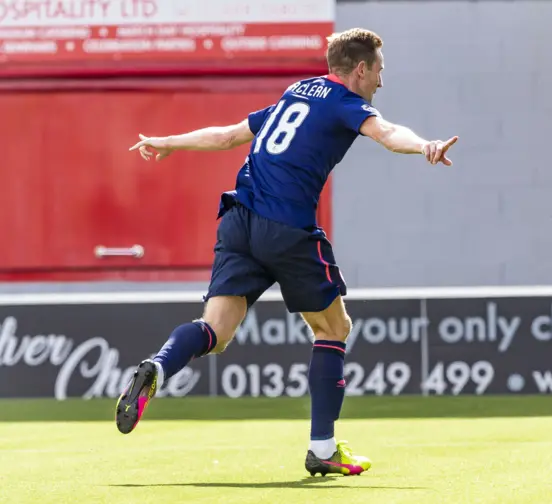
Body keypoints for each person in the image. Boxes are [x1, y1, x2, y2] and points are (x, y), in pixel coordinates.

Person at [117, 27, 458, 477]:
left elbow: (228, 137)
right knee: (334, 327)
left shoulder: (295, 92)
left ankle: (158, 367)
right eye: (378, 70)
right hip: (287, 227)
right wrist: (425, 146)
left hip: (239, 220)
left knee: (215, 331)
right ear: (360, 69)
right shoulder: (346, 103)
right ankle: (322, 448)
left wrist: (168, 142)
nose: (380, 80)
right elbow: (389, 133)